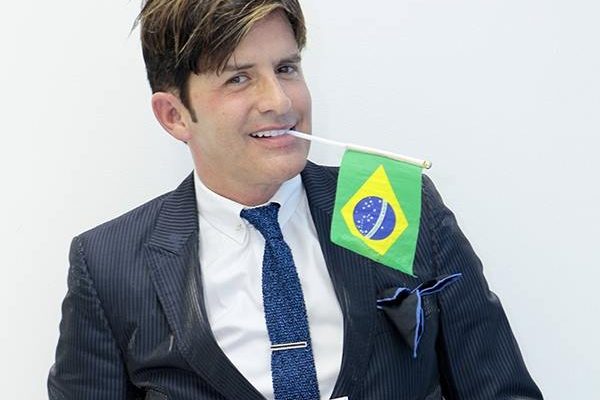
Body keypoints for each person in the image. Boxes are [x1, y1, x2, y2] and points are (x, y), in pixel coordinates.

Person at [48, 1, 543, 399]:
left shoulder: (396, 200)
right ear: (174, 115)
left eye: (286, 68)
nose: (281, 102)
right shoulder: (108, 263)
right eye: (239, 77)